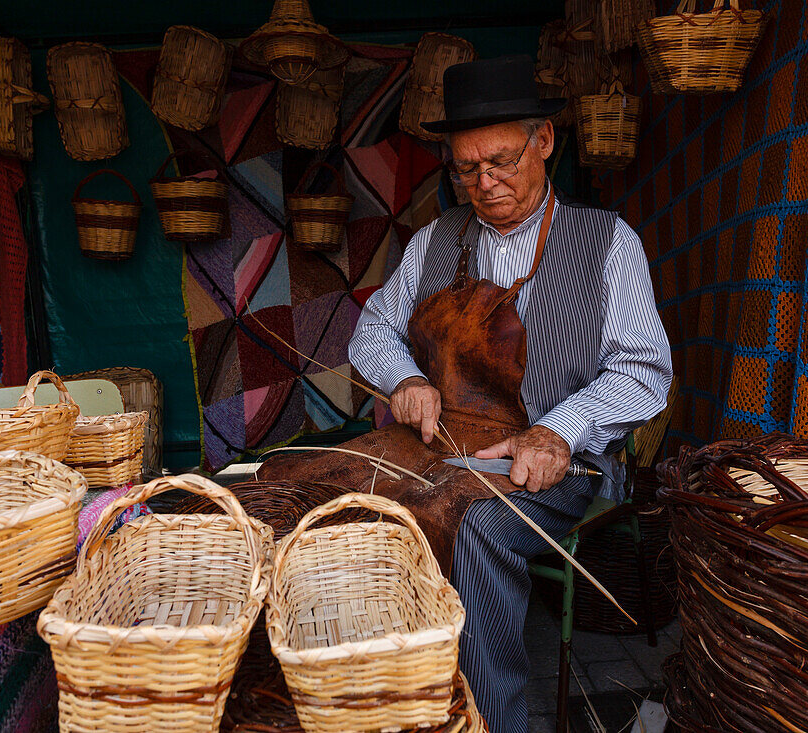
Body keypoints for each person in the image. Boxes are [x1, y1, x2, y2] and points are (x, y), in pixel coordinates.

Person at [259, 55, 672, 733]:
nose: (485, 183)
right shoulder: (437, 239)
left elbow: (645, 370)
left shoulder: (607, 244)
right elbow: (373, 332)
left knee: (476, 529)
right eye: (466, 168)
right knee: (308, 486)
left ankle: (488, 719)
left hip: (561, 461)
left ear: (544, 141)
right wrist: (407, 379)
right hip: (441, 446)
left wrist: (561, 427)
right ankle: (360, 698)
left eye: (502, 161)